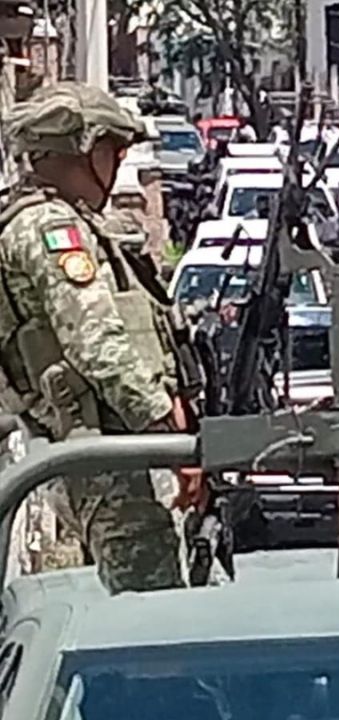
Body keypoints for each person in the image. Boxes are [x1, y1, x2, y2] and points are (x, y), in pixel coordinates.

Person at [0, 82, 198, 594]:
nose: (119, 162)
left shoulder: (70, 221)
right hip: (109, 455)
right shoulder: (48, 227)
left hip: (115, 447)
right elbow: (97, 345)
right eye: (114, 149)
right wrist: (169, 435)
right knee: (153, 618)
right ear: (83, 148)